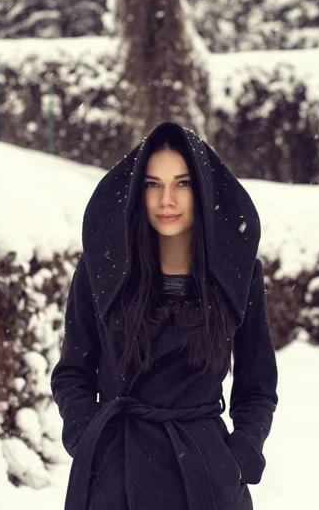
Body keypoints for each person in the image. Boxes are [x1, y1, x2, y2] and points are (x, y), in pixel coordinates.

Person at [51, 121, 278, 510]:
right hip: (114, 477)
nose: (166, 200)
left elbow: (256, 384)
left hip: (205, 476)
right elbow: (73, 372)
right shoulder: (101, 270)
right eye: (153, 184)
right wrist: (88, 436)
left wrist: (239, 455)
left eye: (183, 183)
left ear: (203, 190)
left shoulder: (236, 273)